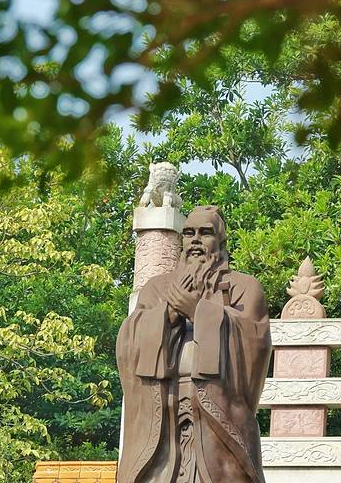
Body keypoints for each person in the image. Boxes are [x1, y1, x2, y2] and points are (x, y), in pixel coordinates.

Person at [117, 205, 271, 483]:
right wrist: (168, 313)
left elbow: (255, 342)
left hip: (218, 420)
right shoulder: (157, 288)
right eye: (189, 233)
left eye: (205, 232)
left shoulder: (244, 287)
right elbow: (130, 341)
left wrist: (198, 311)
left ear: (221, 241)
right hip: (163, 416)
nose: (195, 240)